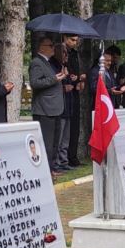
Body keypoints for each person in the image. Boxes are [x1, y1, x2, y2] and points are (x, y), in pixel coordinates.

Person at [29, 35, 67, 174]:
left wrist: (60, 77)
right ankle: (46, 169)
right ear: (41, 48)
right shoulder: (36, 62)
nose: (53, 48)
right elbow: (35, 83)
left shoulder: (49, 62)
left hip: (54, 107)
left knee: (55, 141)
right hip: (44, 109)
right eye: (50, 46)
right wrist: (54, 79)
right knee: (46, 141)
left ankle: (52, 167)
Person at [52, 42, 77, 171]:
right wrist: (63, 87)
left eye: (67, 53)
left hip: (68, 105)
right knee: (59, 137)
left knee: (66, 137)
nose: (66, 55)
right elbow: (52, 85)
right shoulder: (53, 66)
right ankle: (55, 163)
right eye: (64, 52)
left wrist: (71, 78)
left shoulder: (65, 66)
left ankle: (63, 161)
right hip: (59, 106)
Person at [62, 34, 85, 166]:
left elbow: (77, 72)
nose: (74, 43)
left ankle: (73, 156)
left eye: (76, 40)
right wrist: (71, 78)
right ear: (64, 38)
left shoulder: (75, 54)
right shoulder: (60, 52)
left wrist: (80, 78)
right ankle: (63, 159)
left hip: (74, 91)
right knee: (65, 128)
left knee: (74, 126)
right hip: (64, 92)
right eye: (72, 40)